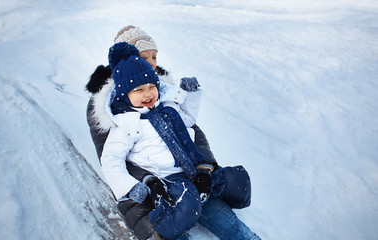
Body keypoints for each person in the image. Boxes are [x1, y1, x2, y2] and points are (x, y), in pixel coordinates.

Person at [86, 25, 260, 240]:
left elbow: (190, 130)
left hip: (186, 173)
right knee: (165, 232)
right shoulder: (110, 109)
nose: (150, 62)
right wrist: (151, 183)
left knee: (228, 221)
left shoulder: (161, 91)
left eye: (154, 56)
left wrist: (205, 169)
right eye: (142, 56)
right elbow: (114, 160)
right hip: (149, 189)